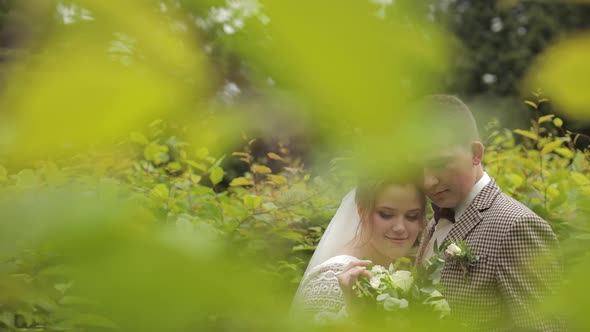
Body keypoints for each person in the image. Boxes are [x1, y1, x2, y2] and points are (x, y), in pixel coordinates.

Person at [412, 95, 563, 330]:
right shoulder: (437, 218)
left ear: (476, 153)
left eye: (440, 163)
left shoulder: (516, 225)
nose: (427, 181)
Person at [291, 172, 426, 323]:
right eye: (386, 214)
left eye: (412, 216)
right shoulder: (333, 278)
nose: (400, 227)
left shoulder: (391, 271)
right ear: (362, 211)